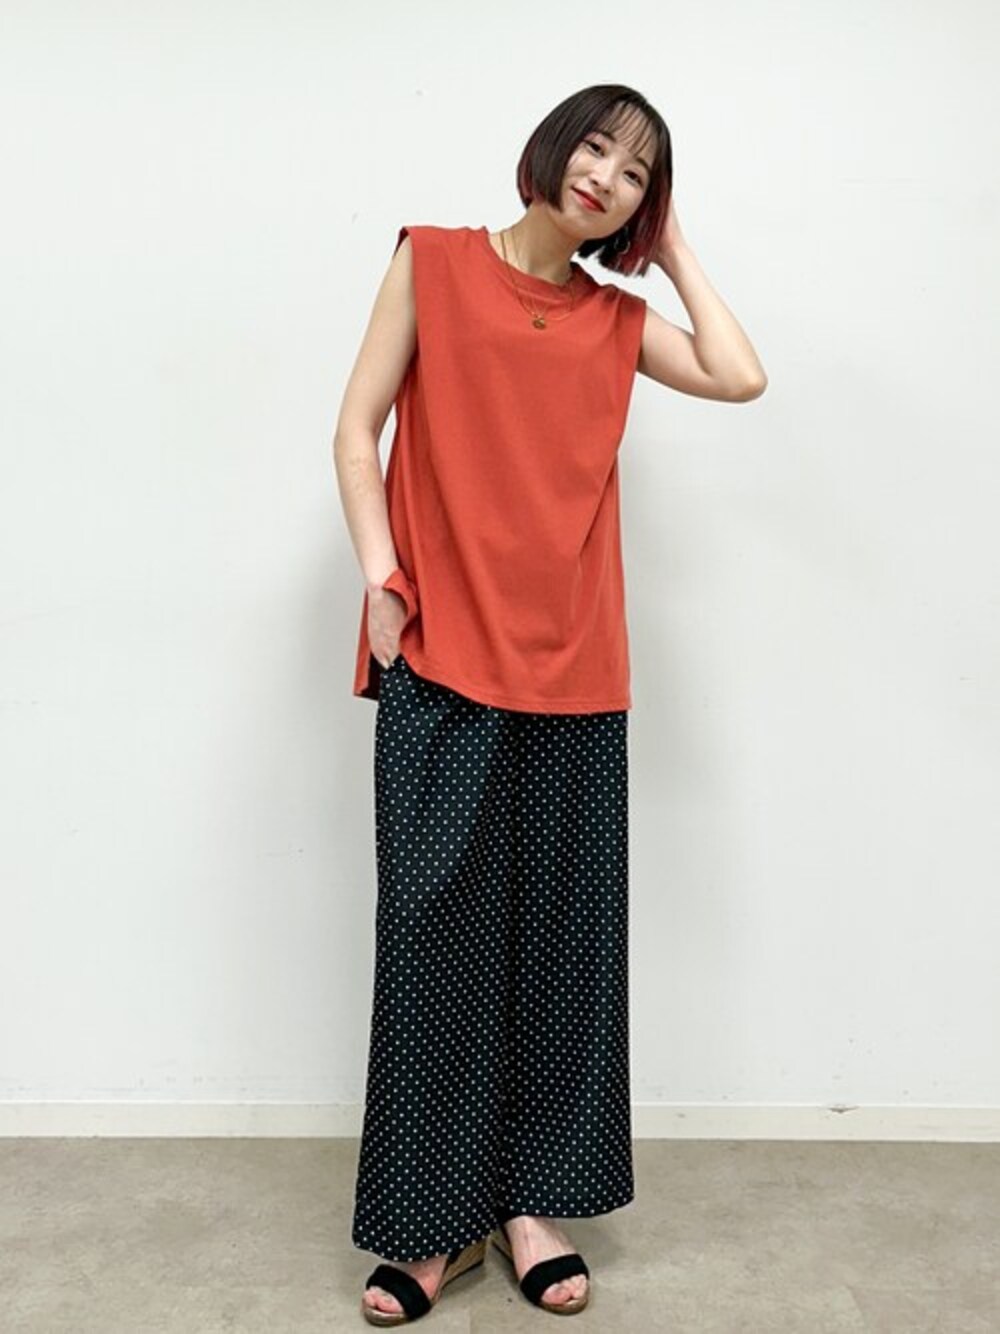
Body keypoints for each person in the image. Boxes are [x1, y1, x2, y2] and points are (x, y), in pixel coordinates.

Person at [332, 82, 767, 1326]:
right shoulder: (432, 262)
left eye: (637, 177)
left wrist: (670, 249)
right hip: (441, 657)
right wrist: (381, 577)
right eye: (598, 150)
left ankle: (533, 1205)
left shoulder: (616, 321)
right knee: (435, 946)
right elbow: (356, 431)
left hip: (577, 670)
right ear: (553, 145)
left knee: (563, 951)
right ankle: (432, 1223)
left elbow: (739, 375)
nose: (606, 181)